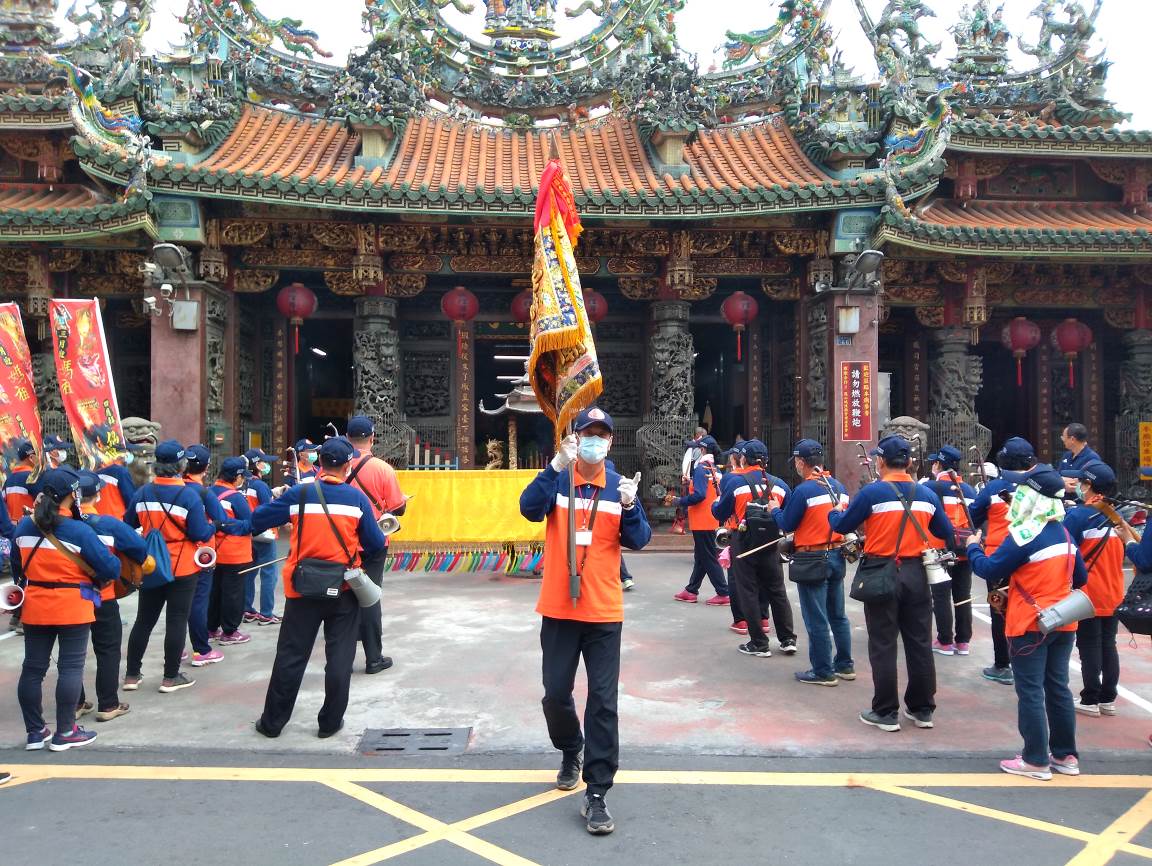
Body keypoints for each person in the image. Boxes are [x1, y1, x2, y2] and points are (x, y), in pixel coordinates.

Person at [519, 406, 651, 836]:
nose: (594, 441)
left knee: (603, 702)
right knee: (556, 694)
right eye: (586, 434)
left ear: (611, 442)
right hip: (559, 608)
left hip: (603, 612)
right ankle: (570, 747)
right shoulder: (560, 479)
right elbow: (528, 509)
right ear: (575, 439)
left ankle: (597, 792)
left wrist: (631, 506)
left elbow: (639, 540)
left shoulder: (618, 486)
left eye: (601, 435)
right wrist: (553, 466)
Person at [251, 437, 386, 739]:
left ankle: (272, 723)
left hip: (302, 589)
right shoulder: (357, 500)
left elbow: (258, 520)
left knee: (291, 655)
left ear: (319, 462)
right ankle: (329, 723)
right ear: (348, 465)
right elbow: (376, 544)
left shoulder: (300, 494)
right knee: (340, 657)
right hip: (344, 589)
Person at [829, 435, 954, 733]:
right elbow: (945, 532)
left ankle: (885, 711)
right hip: (917, 572)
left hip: (882, 569)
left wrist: (835, 513)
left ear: (881, 461)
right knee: (919, 641)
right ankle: (923, 709)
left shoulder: (872, 493)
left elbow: (842, 526)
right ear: (909, 462)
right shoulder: (926, 495)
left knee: (883, 643)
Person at [967, 467, 1085, 780]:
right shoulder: (1064, 531)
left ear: (1031, 496)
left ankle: (1035, 759)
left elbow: (990, 569)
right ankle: (1065, 755)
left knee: (1031, 690)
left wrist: (973, 548)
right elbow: (1081, 577)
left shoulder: (1025, 533)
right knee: (1058, 688)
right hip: (1063, 621)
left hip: (1030, 623)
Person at [12, 468, 119, 751]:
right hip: (72, 604)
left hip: (35, 604)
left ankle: (36, 732)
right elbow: (110, 567)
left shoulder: (23, 527)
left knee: (33, 669)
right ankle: (66, 732)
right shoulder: (78, 530)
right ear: (72, 495)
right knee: (70, 667)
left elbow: (16, 569)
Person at [124, 440, 214, 693]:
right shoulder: (188, 495)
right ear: (181, 465)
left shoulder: (141, 493)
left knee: (144, 620)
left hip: (151, 564)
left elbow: (128, 523)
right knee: (176, 620)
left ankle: (132, 675)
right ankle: (170, 677)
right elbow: (199, 533)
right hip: (181, 565)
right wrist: (213, 527)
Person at [771, 438, 853, 686]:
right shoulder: (839, 486)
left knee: (816, 617)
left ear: (801, 462)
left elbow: (787, 523)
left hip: (812, 557)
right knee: (838, 615)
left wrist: (774, 509)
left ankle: (823, 671)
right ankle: (845, 665)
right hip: (837, 553)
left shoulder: (804, 490)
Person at [75, 470, 148, 722]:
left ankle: (76, 703)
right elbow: (139, 548)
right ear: (97, 495)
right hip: (102, 595)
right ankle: (108, 704)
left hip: (68, 598)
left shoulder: (53, 526)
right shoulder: (107, 524)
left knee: (71, 653)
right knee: (107, 649)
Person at [712, 439, 795, 657]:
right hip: (771, 542)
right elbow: (788, 516)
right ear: (766, 460)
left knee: (747, 590)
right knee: (777, 590)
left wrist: (716, 503)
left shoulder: (734, 482)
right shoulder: (780, 484)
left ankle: (759, 642)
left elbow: (720, 513)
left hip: (743, 539)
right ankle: (787, 639)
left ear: (742, 459)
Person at [970, 437, 1037, 685]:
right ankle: (1028, 661)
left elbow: (973, 517)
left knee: (999, 609)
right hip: (1033, 557)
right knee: (1029, 606)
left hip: (999, 558)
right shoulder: (1039, 487)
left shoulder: (993, 489)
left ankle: (1002, 664)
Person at [1064, 461, 1128, 718]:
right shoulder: (1115, 516)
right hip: (1114, 591)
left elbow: (1066, 549)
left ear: (1089, 485)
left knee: (1089, 644)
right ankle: (1108, 698)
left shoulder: (1080, 515)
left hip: (1089, 593)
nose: (1079, 486)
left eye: (1082, 482)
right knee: (1108, 644)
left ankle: (1090, 698)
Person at [345, 416, 407, 675]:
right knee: (370, 597)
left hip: (342, 542)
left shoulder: (335, 466)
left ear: (348, 438)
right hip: (373, 543)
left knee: (344, 599)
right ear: (372, 438)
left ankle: (342, 658)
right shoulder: (383, 469)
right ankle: (373, 658)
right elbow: (397, 508)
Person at [923, 445, 978, 657]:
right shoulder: (970, 490)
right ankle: (963, 641)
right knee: (963, 595)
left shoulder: (931, 487)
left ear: (938, 464)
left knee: (941, 595)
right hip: (966, 548)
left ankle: (945, 641)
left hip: (939, 548)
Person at [182, 445, 229, 665]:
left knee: (176, 604)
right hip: (200, 553)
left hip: (171, 555)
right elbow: (220, 519)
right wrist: (213, 526)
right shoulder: (202, 492)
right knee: (198, 602)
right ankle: (201, 649)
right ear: (207, 467)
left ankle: (177, 648)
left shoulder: (170, 487)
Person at [671, 435, 729, 605]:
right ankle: (691, 590)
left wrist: (679, 500)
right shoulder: (715, 469)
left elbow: (699, 495)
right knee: (701, 556)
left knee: (708, 557)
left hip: (701, 520)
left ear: (702, 450)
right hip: (712, 518)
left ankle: (724, 592)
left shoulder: (700, 468)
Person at [209, 457, 255, 646]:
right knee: (233, 594)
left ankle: (210, 628)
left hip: (213, 551)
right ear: (236, 477)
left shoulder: (209, 491)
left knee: (214, 592)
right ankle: (230, 632)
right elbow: (249, 523)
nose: (242, 480)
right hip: (235, 553)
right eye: (242, 476)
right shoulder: (235, 497)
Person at [242, 448, 281, 625]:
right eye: (264, 462)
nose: (267, 465)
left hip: (247, 534)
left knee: (250, 573)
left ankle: (247, 609)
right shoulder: (260, 485)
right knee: (269, 574)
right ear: (257, 465)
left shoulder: (241, 483)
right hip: (264, 534)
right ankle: (266, 613)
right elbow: (268, 509)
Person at [93, 430, 137, 521]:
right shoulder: (120, 472)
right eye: (128, 451)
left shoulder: (95, 470)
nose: (130, 454)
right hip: (117, 522)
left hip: (97, 520)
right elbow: (131, 502)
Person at [1058, 423, 1100, 495]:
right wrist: (1062, 484)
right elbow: (1058, 475)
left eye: (1064, 437)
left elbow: (1094, 485)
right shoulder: (1066, 455)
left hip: (1081, 503)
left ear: (1072, 439)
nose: (1063, 439)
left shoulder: (1092, 458)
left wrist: (1074, 488)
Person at [3, 438, 38, 523]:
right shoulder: (35, 478)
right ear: (31, 458)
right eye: (39, 455)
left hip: (14, 531)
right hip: (33, 528)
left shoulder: (8, 481)